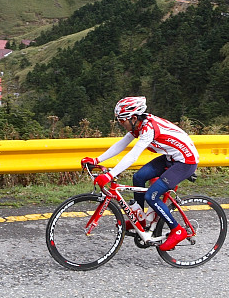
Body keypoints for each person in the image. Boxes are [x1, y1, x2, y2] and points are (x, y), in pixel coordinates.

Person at [80, 96, 199, 251]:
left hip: (185, 162)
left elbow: (133, 155)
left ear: (134, 118)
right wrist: (97, 160)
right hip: (171, 158)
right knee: (138, 177)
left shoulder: (148, 129)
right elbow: (121, 145)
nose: (121, 124)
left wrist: (110, 175)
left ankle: (177, 230)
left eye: (122, 120)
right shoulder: (138, 125)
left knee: (152, 196)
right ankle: (141, 219)